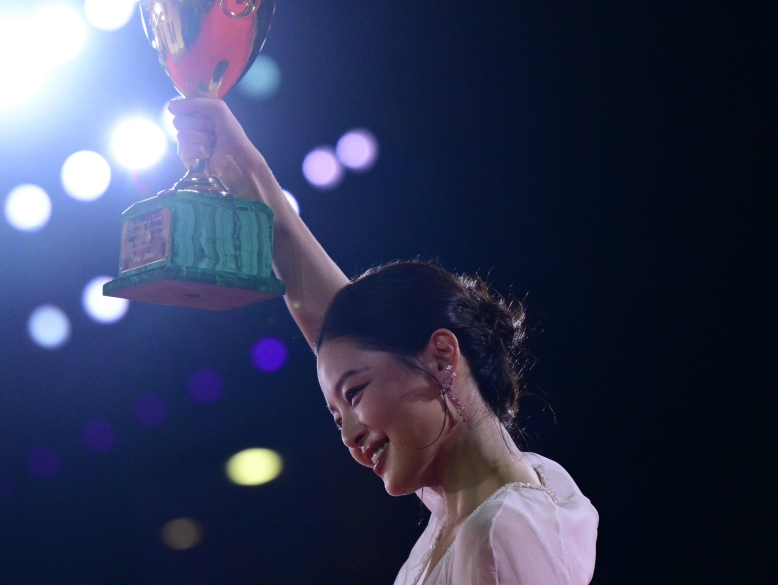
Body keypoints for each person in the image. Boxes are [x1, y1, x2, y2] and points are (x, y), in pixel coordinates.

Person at [168, 98, 599, 585]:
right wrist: (237, 165)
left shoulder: (499, 533)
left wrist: (242, 166)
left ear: (441, 356)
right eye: (337, 417)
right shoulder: (479, 501)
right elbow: (335, 319)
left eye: (354, 394)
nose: (348, 436)